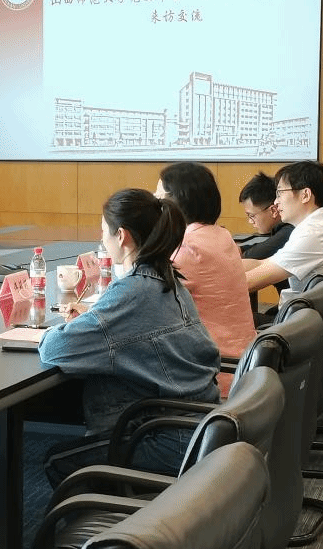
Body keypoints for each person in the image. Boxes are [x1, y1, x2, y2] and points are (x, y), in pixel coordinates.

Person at [39, 189, 221, 487]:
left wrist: (63, 329)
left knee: (57, 461)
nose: (102, 240)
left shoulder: (133, 292)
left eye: (103, 231)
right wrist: (96, 320)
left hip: (168, 437)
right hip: (201, 426)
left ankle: (112, 515)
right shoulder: (168, 279)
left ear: (121, 236)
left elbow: (54, 349)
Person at [155, 162, 255, 368]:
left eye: (159, 198)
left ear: (176, 202)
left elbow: (147, 305)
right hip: (243, 363)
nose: (156, 206)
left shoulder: (188, 249)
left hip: (213, 369)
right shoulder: (221, 235)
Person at [244, 161, 323, 297]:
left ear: (305, 195)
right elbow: (263, 263)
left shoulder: (313, 233)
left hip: (304, 309)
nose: (275, 202)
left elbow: (249, 282)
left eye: (280, 193)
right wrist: (225, 266)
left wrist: (220, 278)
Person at [238, 171, 294, 260]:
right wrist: (241, 249)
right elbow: (268, 245)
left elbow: (253, 255)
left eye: (252, 216)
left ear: (273, 211)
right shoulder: (284, 228)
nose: (250, 221)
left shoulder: (291, 229)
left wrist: (237, 252)